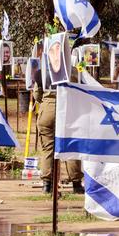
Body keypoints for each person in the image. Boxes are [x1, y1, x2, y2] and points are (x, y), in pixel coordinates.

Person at [34, 51, 83, 195]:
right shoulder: (73, 72)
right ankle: (76, 185)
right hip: (68, 110)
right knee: (70, 146)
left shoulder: (41, 72)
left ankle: (47, 185)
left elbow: (37, 95)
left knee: (48, 149)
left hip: (47, 110)